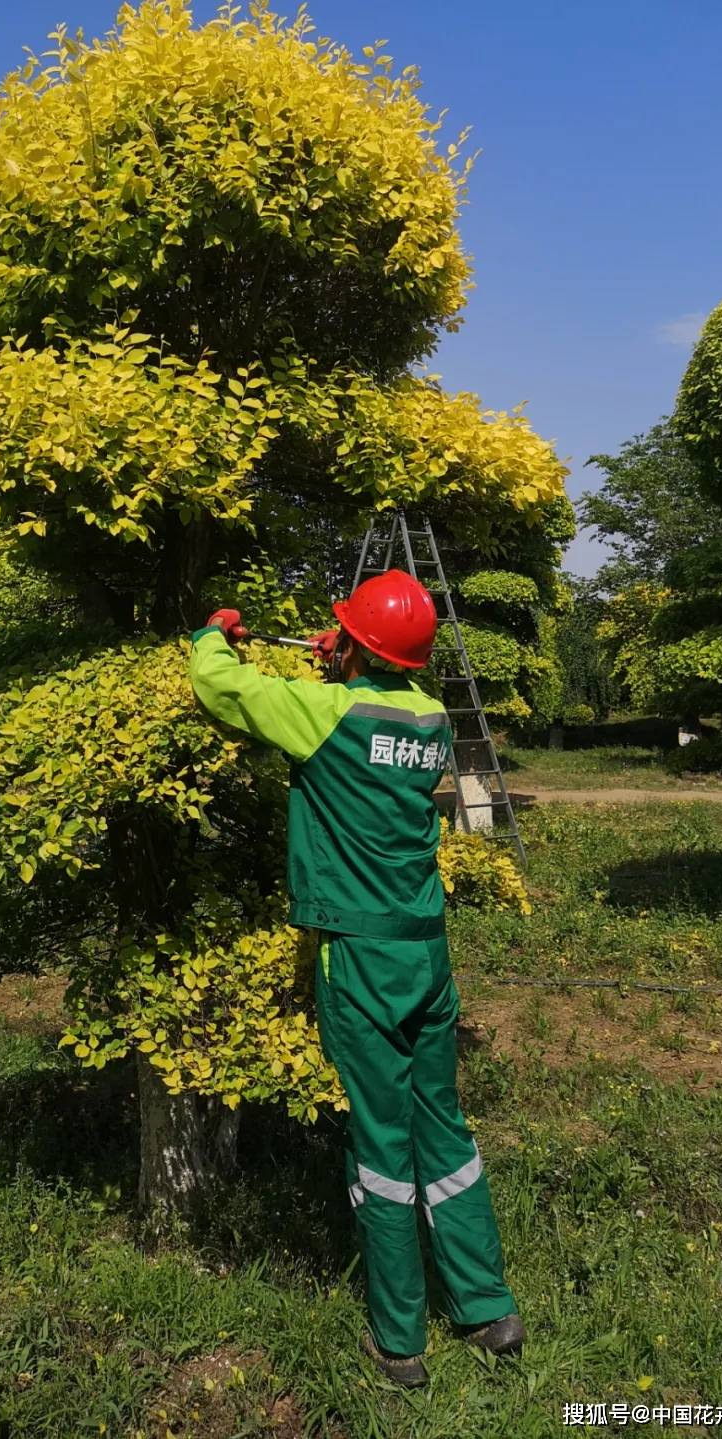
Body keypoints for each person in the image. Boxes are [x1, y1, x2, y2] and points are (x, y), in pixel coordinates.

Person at [188, 568, 523, 1388]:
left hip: (361, 954)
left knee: (380, 1143)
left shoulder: (327, 715)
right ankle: (487, 1308)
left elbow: (224, 687)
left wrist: (211, 633)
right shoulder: (433, 718)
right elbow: (376, 709)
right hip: (426, 952)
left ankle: (400, 1343)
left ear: (359, 646)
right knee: (442, 1127)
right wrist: (353, 657)